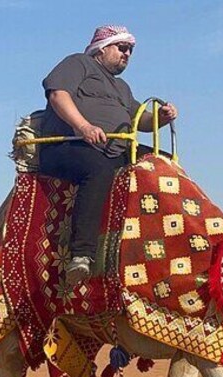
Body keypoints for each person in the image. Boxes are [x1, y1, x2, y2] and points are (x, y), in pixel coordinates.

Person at [38, 25, 178, 284]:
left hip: (115, 148)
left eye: (131, 50)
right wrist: (83, 127)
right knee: (98, 169)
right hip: (68, 146)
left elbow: (141, 121)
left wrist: (161, 116)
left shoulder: (121, 87)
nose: (127, 54)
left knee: (164, 165)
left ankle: (170, 243)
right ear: (102, 48)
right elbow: (58, 94)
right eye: (122, 48)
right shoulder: (78, 64)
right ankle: (81, 255)